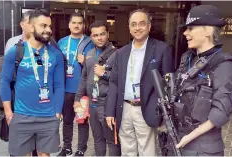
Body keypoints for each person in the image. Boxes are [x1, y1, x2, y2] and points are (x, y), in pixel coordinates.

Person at [172, 5, 232, 156]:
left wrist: (188, 137)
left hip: (203, 148)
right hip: (178, 139)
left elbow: (221, 112)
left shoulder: (225, 65)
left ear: (208, 31)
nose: (185, 33)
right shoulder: (187, 59)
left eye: (190, 28)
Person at [105, 9, 174, 156]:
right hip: (125, 109)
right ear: (129, 28)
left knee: (147, 151)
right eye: (133, 24)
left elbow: (168, 84)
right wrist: (110, 111)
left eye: (142, 24)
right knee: (127, 150)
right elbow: (114, 83)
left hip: (147, 108)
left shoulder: (162, 49)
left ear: (149, 26)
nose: (137, 28)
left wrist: (163, 112)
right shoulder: (121, 52)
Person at [0, 9, 65, 156]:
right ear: (30, 27)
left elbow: (59, 85)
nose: (48, 30)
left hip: (48, 116)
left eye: (49, 26)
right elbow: (4, 81)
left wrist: (57, 113)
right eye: (43, 26)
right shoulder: (15, 52)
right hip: (22, 115)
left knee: (44, 154)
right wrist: (9, 113)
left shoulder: (56, 55)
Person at [74, 21, 121, 156]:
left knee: (112, 141)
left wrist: (104, 74)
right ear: (91, 36)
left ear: (107, 34)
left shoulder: (117, 54)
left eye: (102, 34)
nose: (99, 38)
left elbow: (122, 79)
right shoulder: (89, 54)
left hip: (108, 105)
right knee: (97, 139)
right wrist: (77, 99)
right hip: (92, 104)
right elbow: (84, 78)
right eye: (95, 35)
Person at [57, 13, 94, 156]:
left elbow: (96, 64)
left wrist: (86, 62)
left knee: (82, 121)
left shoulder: (89, 43)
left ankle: (81, 149)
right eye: (74, 22)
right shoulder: (61, 42)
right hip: (65, 89)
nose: (76, 25)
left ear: (83, 25)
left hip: (82, 90)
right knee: (66, 121)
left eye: (79, 23)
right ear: (69, 25)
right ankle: (67, 147)